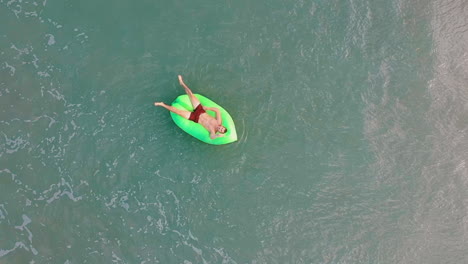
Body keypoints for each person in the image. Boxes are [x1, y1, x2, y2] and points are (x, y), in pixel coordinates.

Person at [154, 75, 227, 139]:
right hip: (201, 110)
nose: (219, 128)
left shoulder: (213, 131)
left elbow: (212, 137)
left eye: (220, 130)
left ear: (219, 131)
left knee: (178, 112)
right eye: (221, 127)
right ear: (222, 126)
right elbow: (217, 110)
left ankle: (162, 104)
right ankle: (182, 83)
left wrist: (217, 136)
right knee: (190, 93)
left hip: (195, 118)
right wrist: (208, 108)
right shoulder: (218, 122)